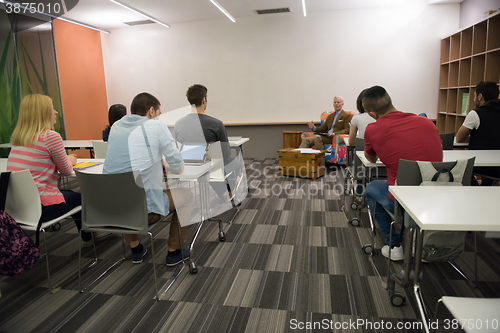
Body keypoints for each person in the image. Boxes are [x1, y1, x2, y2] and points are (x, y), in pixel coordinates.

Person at [103, 92, 193, 266]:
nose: (158, 118)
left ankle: (136, 248)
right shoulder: (155, 127)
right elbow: (177, 165)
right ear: (151, 111)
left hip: (114, 209)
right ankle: (174, 251)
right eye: (159, 114)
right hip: (145, 211)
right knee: (186, 195)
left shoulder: (116, 126)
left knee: (125, 190)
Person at [363, 86, 442, 261]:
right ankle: (422, 244)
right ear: (391, 101)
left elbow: (371, 159)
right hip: (438, 197)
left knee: (371, 187)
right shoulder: (427, 122)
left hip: (403, 202)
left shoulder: (373, 129)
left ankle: (394, 246)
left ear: (372, 114)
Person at [6, 94, 92, 245]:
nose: (56, 112)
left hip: (17, 209)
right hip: (41, 208)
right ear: (43, 113)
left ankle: (88, 237)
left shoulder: (18, 139)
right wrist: (70, 160)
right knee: (81, 198)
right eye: (52, 108)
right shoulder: (50, 136)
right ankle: (89, 238)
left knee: (70, 194)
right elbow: (65, 171)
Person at [175, 84, 238, 194]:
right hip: (211, 169)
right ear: (204, 100)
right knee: (235, 162)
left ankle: (223, 192)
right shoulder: (216, 124)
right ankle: (226, 192)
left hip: (186, 168)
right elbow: (225, 154)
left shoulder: (178, 124)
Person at [456, 81, 500, 186]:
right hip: (497, 165)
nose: (474, 98)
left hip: (481, 165)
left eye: (475, 95)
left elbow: (459, 138)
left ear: (480, 96)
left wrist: (476, 136)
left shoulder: (476, 114)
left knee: (461, 169)